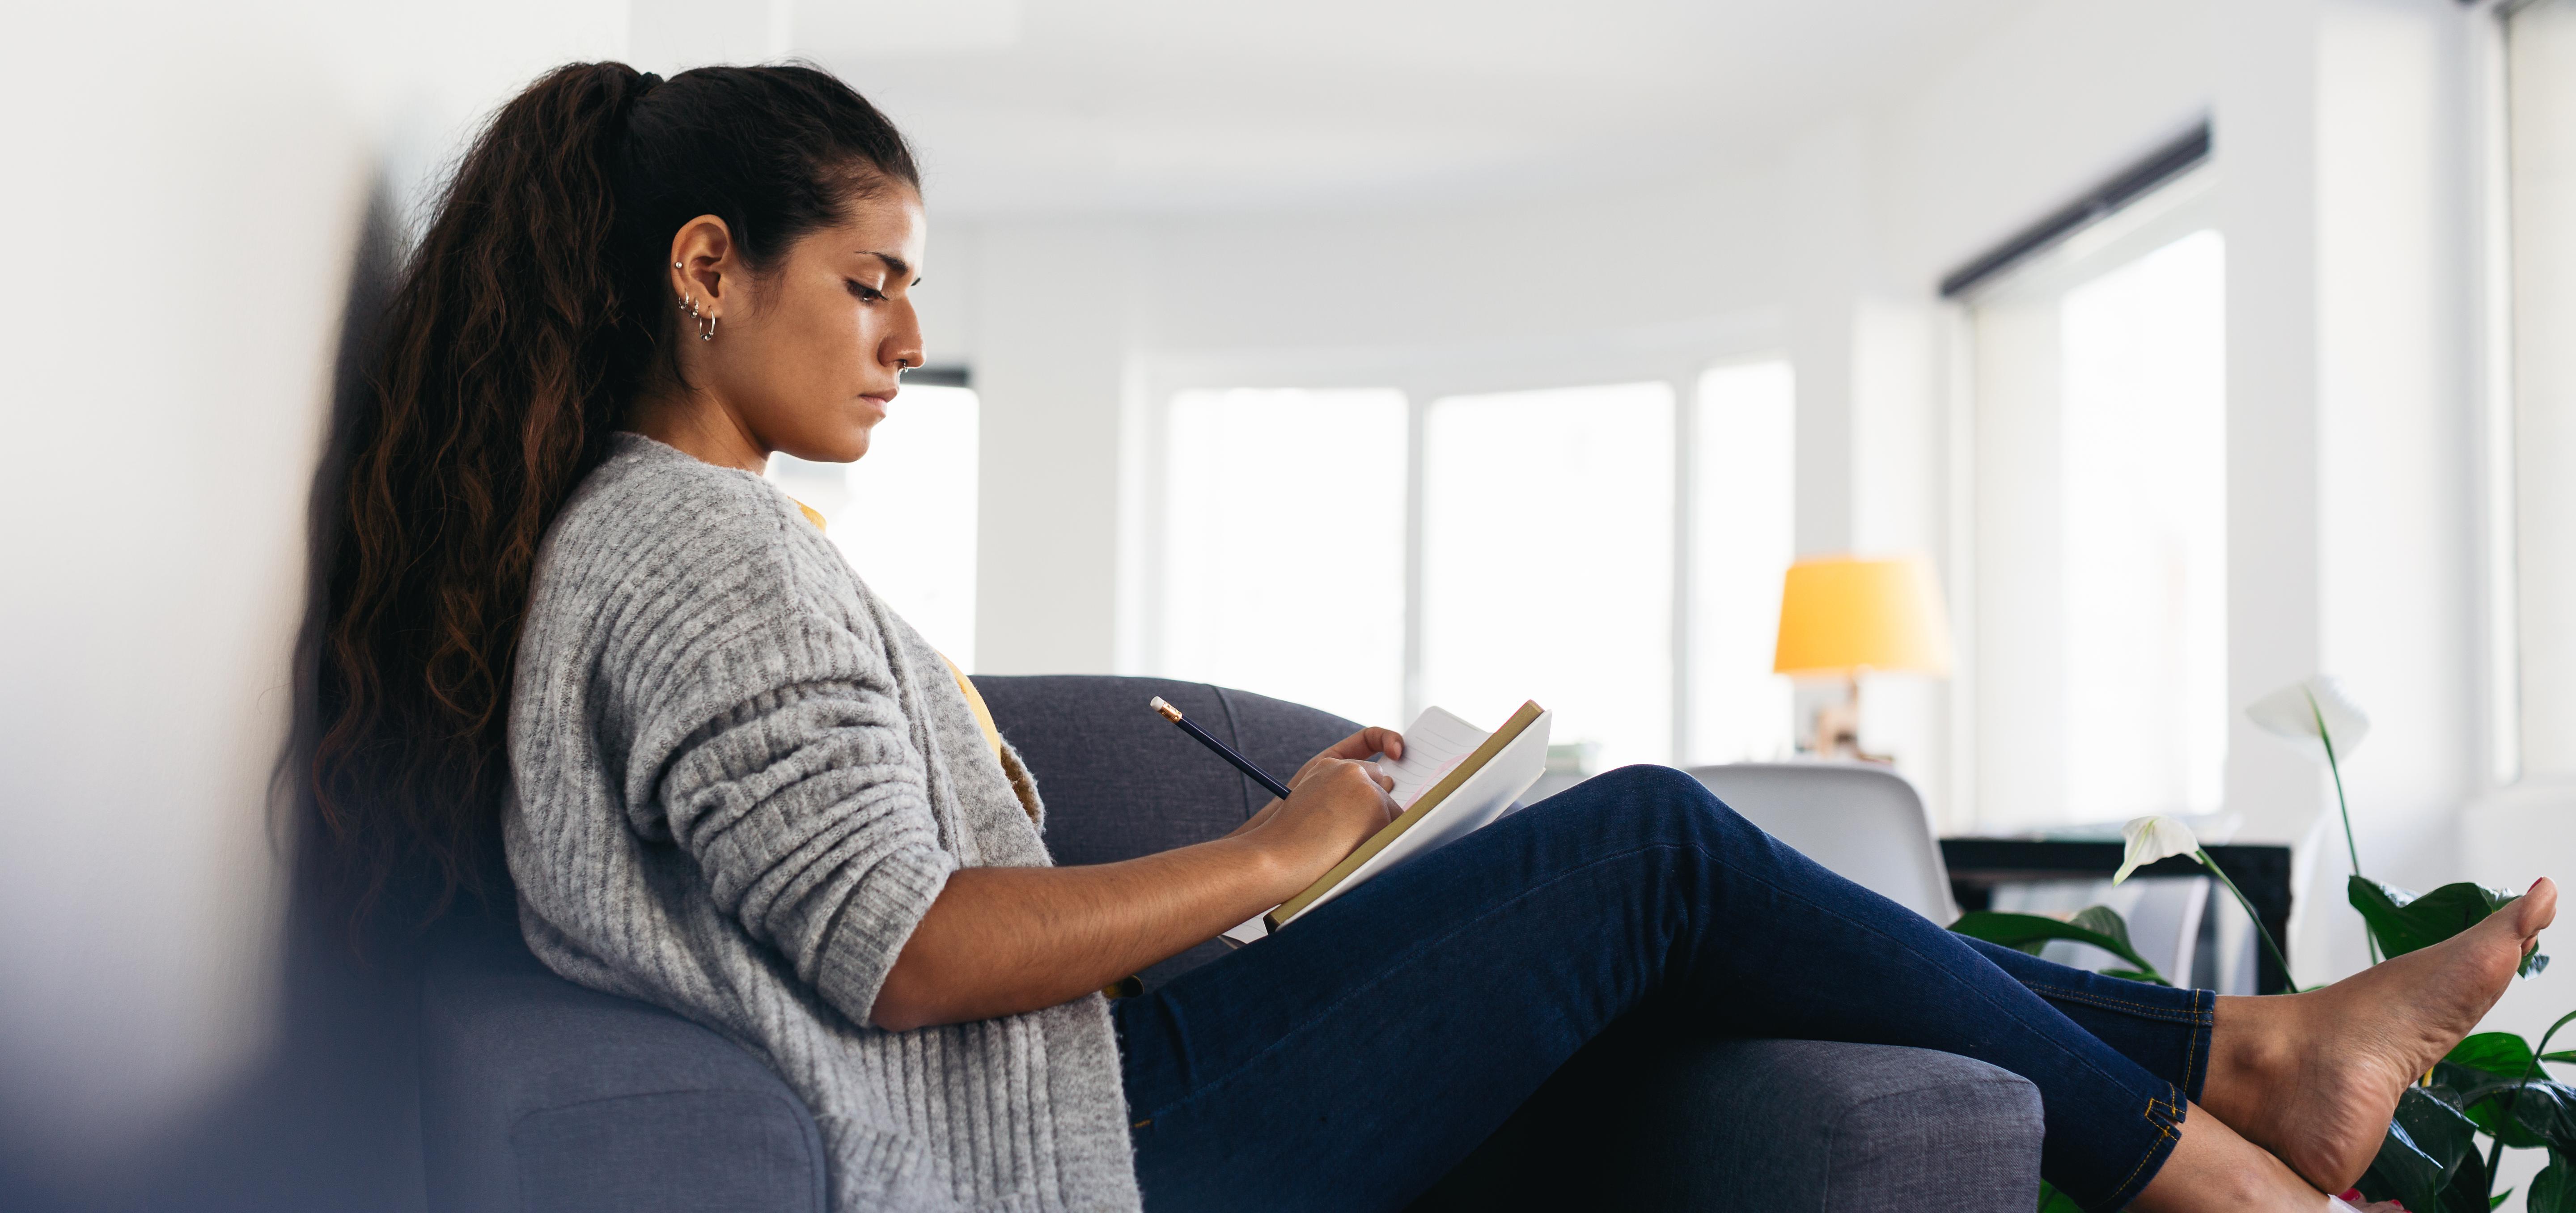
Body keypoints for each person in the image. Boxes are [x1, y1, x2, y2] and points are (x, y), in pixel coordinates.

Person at [311, 61, 2555, 1213]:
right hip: (1088, 1165)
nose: (911, 334)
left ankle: (2237, 1061)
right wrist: (1283, 854)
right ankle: (2205, 1128)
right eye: (872, 275)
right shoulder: (694, 551)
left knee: (1648, 887)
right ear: (708, 265)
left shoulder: (669, 535)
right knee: (1656, 846)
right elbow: (908, 951)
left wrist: (1326, 867)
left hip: (1090, 1114)